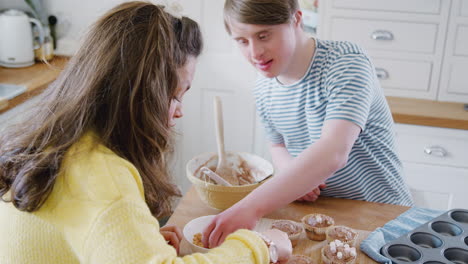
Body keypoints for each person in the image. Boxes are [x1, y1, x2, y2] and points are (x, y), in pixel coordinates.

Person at [0, 2, 291, 263]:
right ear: (143, 94)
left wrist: (136, 242)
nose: (180, 111)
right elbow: (107, 204)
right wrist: (261, 246)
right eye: (176, 95)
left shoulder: (68, 142)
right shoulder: (102, 178)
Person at [202, 0, 414, 248]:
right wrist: (294, 173)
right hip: (323, 217)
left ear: (296, 20)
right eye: (242, 41)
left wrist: (250, 207)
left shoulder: (345, 62)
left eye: (263, 36)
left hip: (383, 215)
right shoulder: (263, 88)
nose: (254, 52)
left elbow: (334, 151)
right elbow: (277, 144)